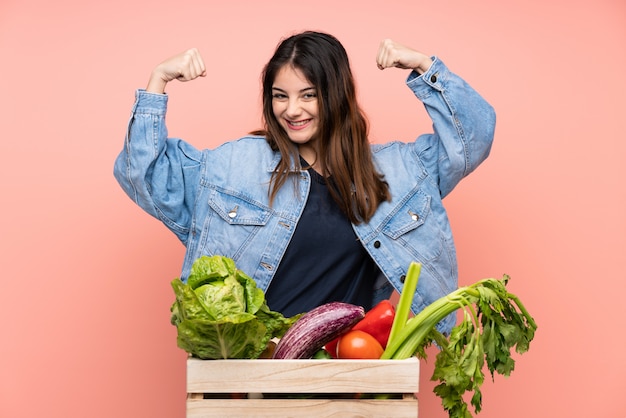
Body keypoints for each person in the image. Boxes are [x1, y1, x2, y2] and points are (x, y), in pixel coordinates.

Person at [114, 31, 495, 333]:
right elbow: (142, 176)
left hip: (352, 367)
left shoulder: (397, 171)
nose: (291, 110)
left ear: (336, 96)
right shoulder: (234, 167)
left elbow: (471, 138)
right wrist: (157, 82)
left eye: (308, 95)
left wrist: (424, 66)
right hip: (255, 372)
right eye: (280, 96)